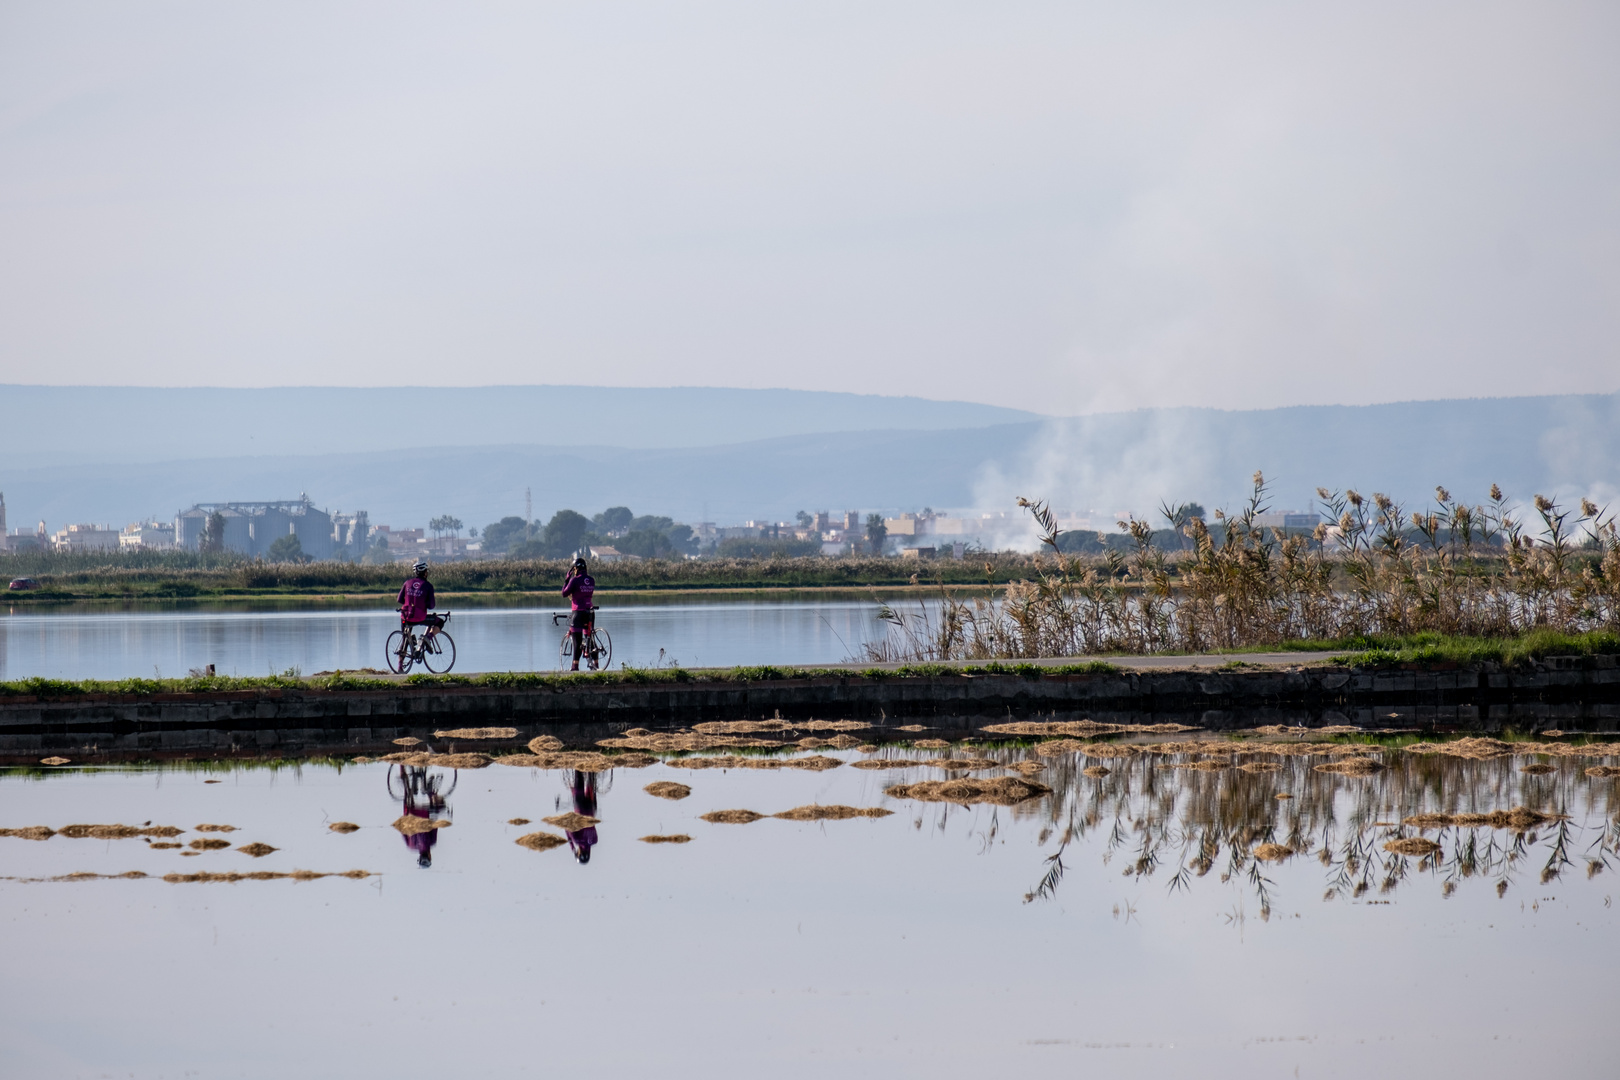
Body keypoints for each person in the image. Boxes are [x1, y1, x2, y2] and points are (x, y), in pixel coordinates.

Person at [561, 557, 596, 671]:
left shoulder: (574, 580)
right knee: (589, 638)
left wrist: (567, 580)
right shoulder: (591, 580)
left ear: (575, 569)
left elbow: (564, 593)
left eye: (574, 569)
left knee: (577, 640)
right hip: (589, 611)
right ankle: (596, 664)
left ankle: (575, 666)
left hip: (578, 612)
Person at [397, 560, 444, 635]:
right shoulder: (428, 586)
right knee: (440, 622)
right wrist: (423, 605)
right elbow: (432, 606)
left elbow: (399, 599)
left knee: (405, 637)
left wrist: (409, 604)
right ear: (425, 572)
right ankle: (428, 637)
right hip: (420, 617)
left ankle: (404, 643)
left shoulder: (407, 583)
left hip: (406, 617)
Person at [565, 769, 598, 864]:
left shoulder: (594, 841)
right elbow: (568, 828)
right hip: (580, 808)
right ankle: (579, 763)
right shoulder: (577, 840)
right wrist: (571, 846)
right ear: (579, 853)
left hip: (591, 809)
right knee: (579, 778)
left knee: (590, 783)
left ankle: (592, 767)